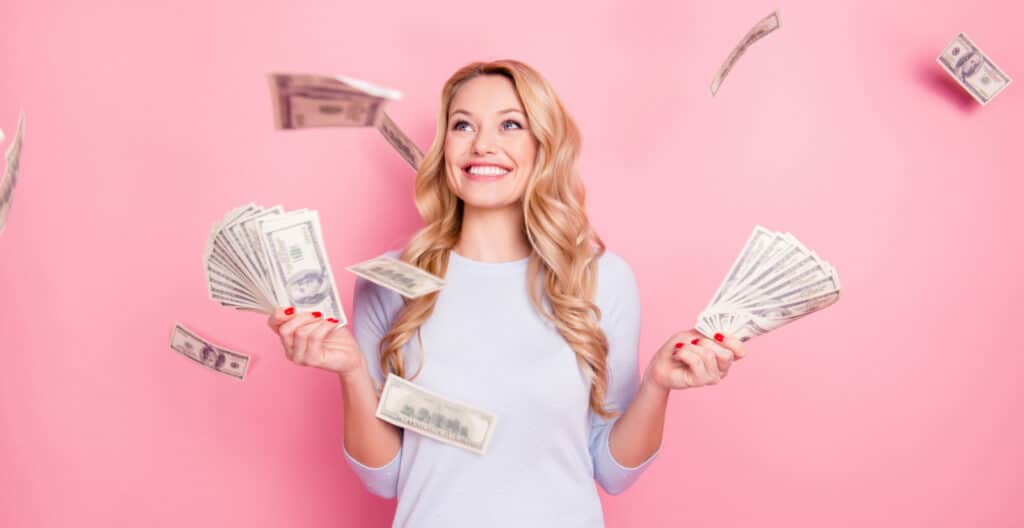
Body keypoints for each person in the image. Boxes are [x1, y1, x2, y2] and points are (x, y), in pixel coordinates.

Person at [266, 59, 747, 527]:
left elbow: (613, 470)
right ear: (445, 146)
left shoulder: (602, 279)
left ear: (543, 146)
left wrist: (658, 384)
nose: (484, 145)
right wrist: (350, 372)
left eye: (510, 125)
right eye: (463, 126)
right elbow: (385, 478)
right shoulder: (387, 281)